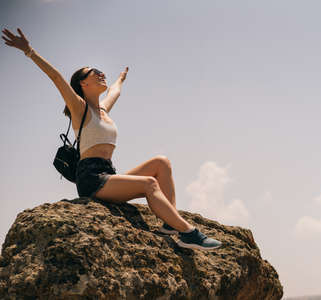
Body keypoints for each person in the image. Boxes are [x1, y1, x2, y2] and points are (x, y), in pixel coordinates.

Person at [2, 27, 222, 251]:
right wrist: (29, 51)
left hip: (108, 173)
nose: (100, 73)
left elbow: (114, 92)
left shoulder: (103, 110)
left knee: (161, 163)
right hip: (91, 178)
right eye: (94, 71)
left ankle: (170, 223)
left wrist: (120, 79)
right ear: (82, 84)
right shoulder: (80, 109)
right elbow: (56, 77)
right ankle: (189, 233)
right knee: (149, 184)